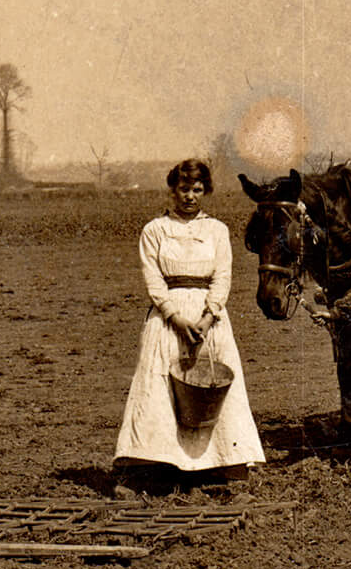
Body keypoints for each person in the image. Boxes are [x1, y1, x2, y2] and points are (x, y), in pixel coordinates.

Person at [113, 160, 264, 479]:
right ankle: (156, 463)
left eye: (197, 190)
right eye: (184, 189)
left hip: (209, 318)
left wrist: (208, 317)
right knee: (159, 386)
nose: (190, 196)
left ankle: (222, 462)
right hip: (169, 319)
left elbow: (222, 277)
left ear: (205, 191)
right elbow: (153, 280)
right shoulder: (155, 230)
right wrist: (176, 318)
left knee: (213, 383)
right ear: (173, 190)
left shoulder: (217, 230)